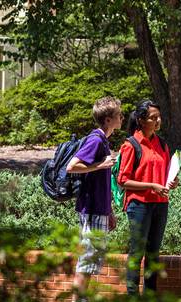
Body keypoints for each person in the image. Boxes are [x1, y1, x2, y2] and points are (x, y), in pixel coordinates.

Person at [117, 99, 179, 296]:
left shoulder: (162, 144)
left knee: (153, 253)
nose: (158, 121)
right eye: (153, 118)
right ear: (142, 120)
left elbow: (167, 174)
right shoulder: (131, 145)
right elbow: (123, 180)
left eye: (159, 117)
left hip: (161, 204)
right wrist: (152, 186)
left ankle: (150, 295)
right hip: (139, 205)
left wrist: (172, 182)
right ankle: (132, 295)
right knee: (137, 252)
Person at [66, 96, 123, 302]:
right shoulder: (96, 139)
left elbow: (101, 182)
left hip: (99, 210)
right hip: (91, 210)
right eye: (119, 115)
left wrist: (110, 211)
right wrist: (100, 165)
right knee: (86, 262)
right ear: (108, 119)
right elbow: (72, 166)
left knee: (90, 263)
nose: (122, 118)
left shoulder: (103, 141)